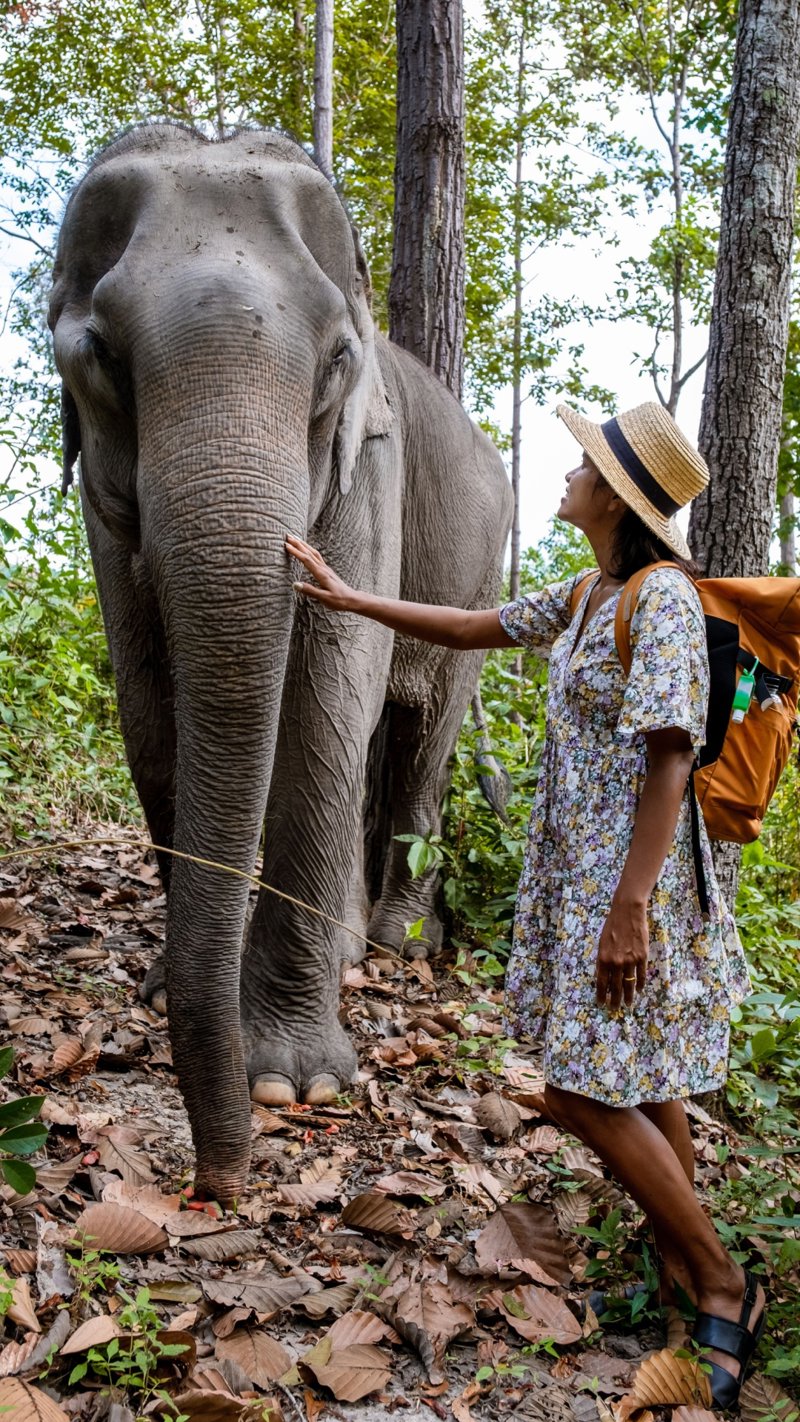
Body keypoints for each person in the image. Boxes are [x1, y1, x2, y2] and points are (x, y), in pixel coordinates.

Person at [285, 400, 764, 1408]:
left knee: (582, 1089)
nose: (565, 477)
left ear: (617, 497)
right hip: (581, 874)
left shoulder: (662, 601)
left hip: (627, 881)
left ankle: (724, 1279)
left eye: (582, 468)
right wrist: (351, 600)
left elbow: (670, 753)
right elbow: (473, 626)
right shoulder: (595, 592)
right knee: (637, 1076)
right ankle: (681, 1264)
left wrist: (627, 907)